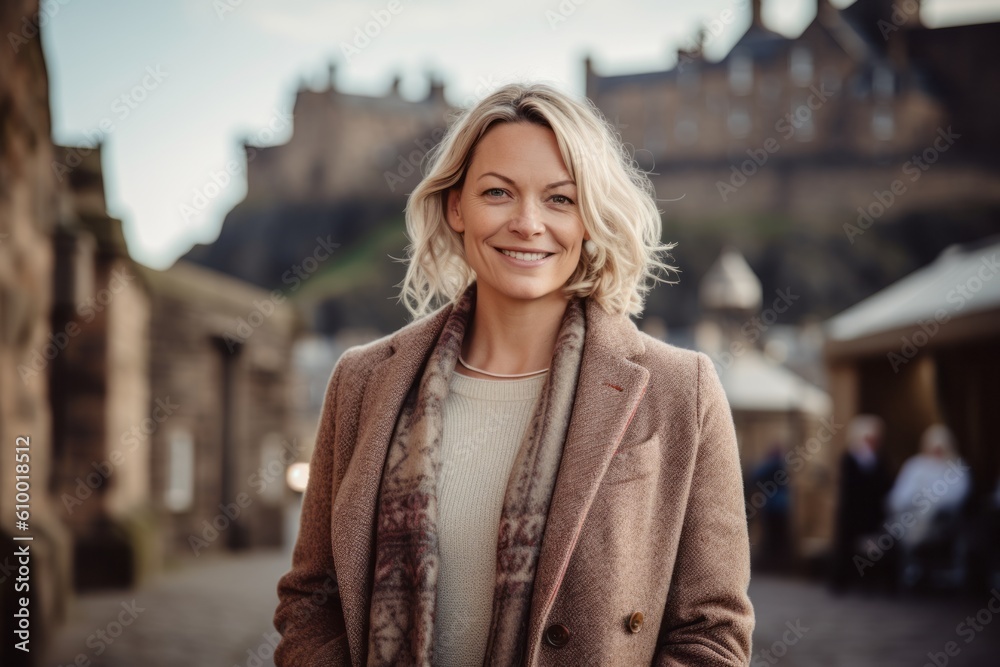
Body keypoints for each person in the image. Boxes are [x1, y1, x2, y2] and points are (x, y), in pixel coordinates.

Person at [272, 82, 754, 666]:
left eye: (559, 199)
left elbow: (712, 632)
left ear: (590, 219)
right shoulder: (363, 380)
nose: (528, 223)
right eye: (498, 192)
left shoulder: (681, 389)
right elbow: (310, 600)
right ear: (456, 206)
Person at [886, 423, 970, 589]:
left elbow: (955, 497)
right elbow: (900, 494)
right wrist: (913, 501)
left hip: (939, 522)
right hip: (910, 516)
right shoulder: (915, 465)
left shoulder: (956, 468)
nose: (936, 452)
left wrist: (931, 503)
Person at [829, 414, 892, 593]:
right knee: (846, 547)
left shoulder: (880, 459)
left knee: (873, 549)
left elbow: (884, 484)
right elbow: (849, 486)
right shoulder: (850, 457)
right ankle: (842, 582)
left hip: (872, 512)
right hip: (852, 511)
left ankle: (870, 582)